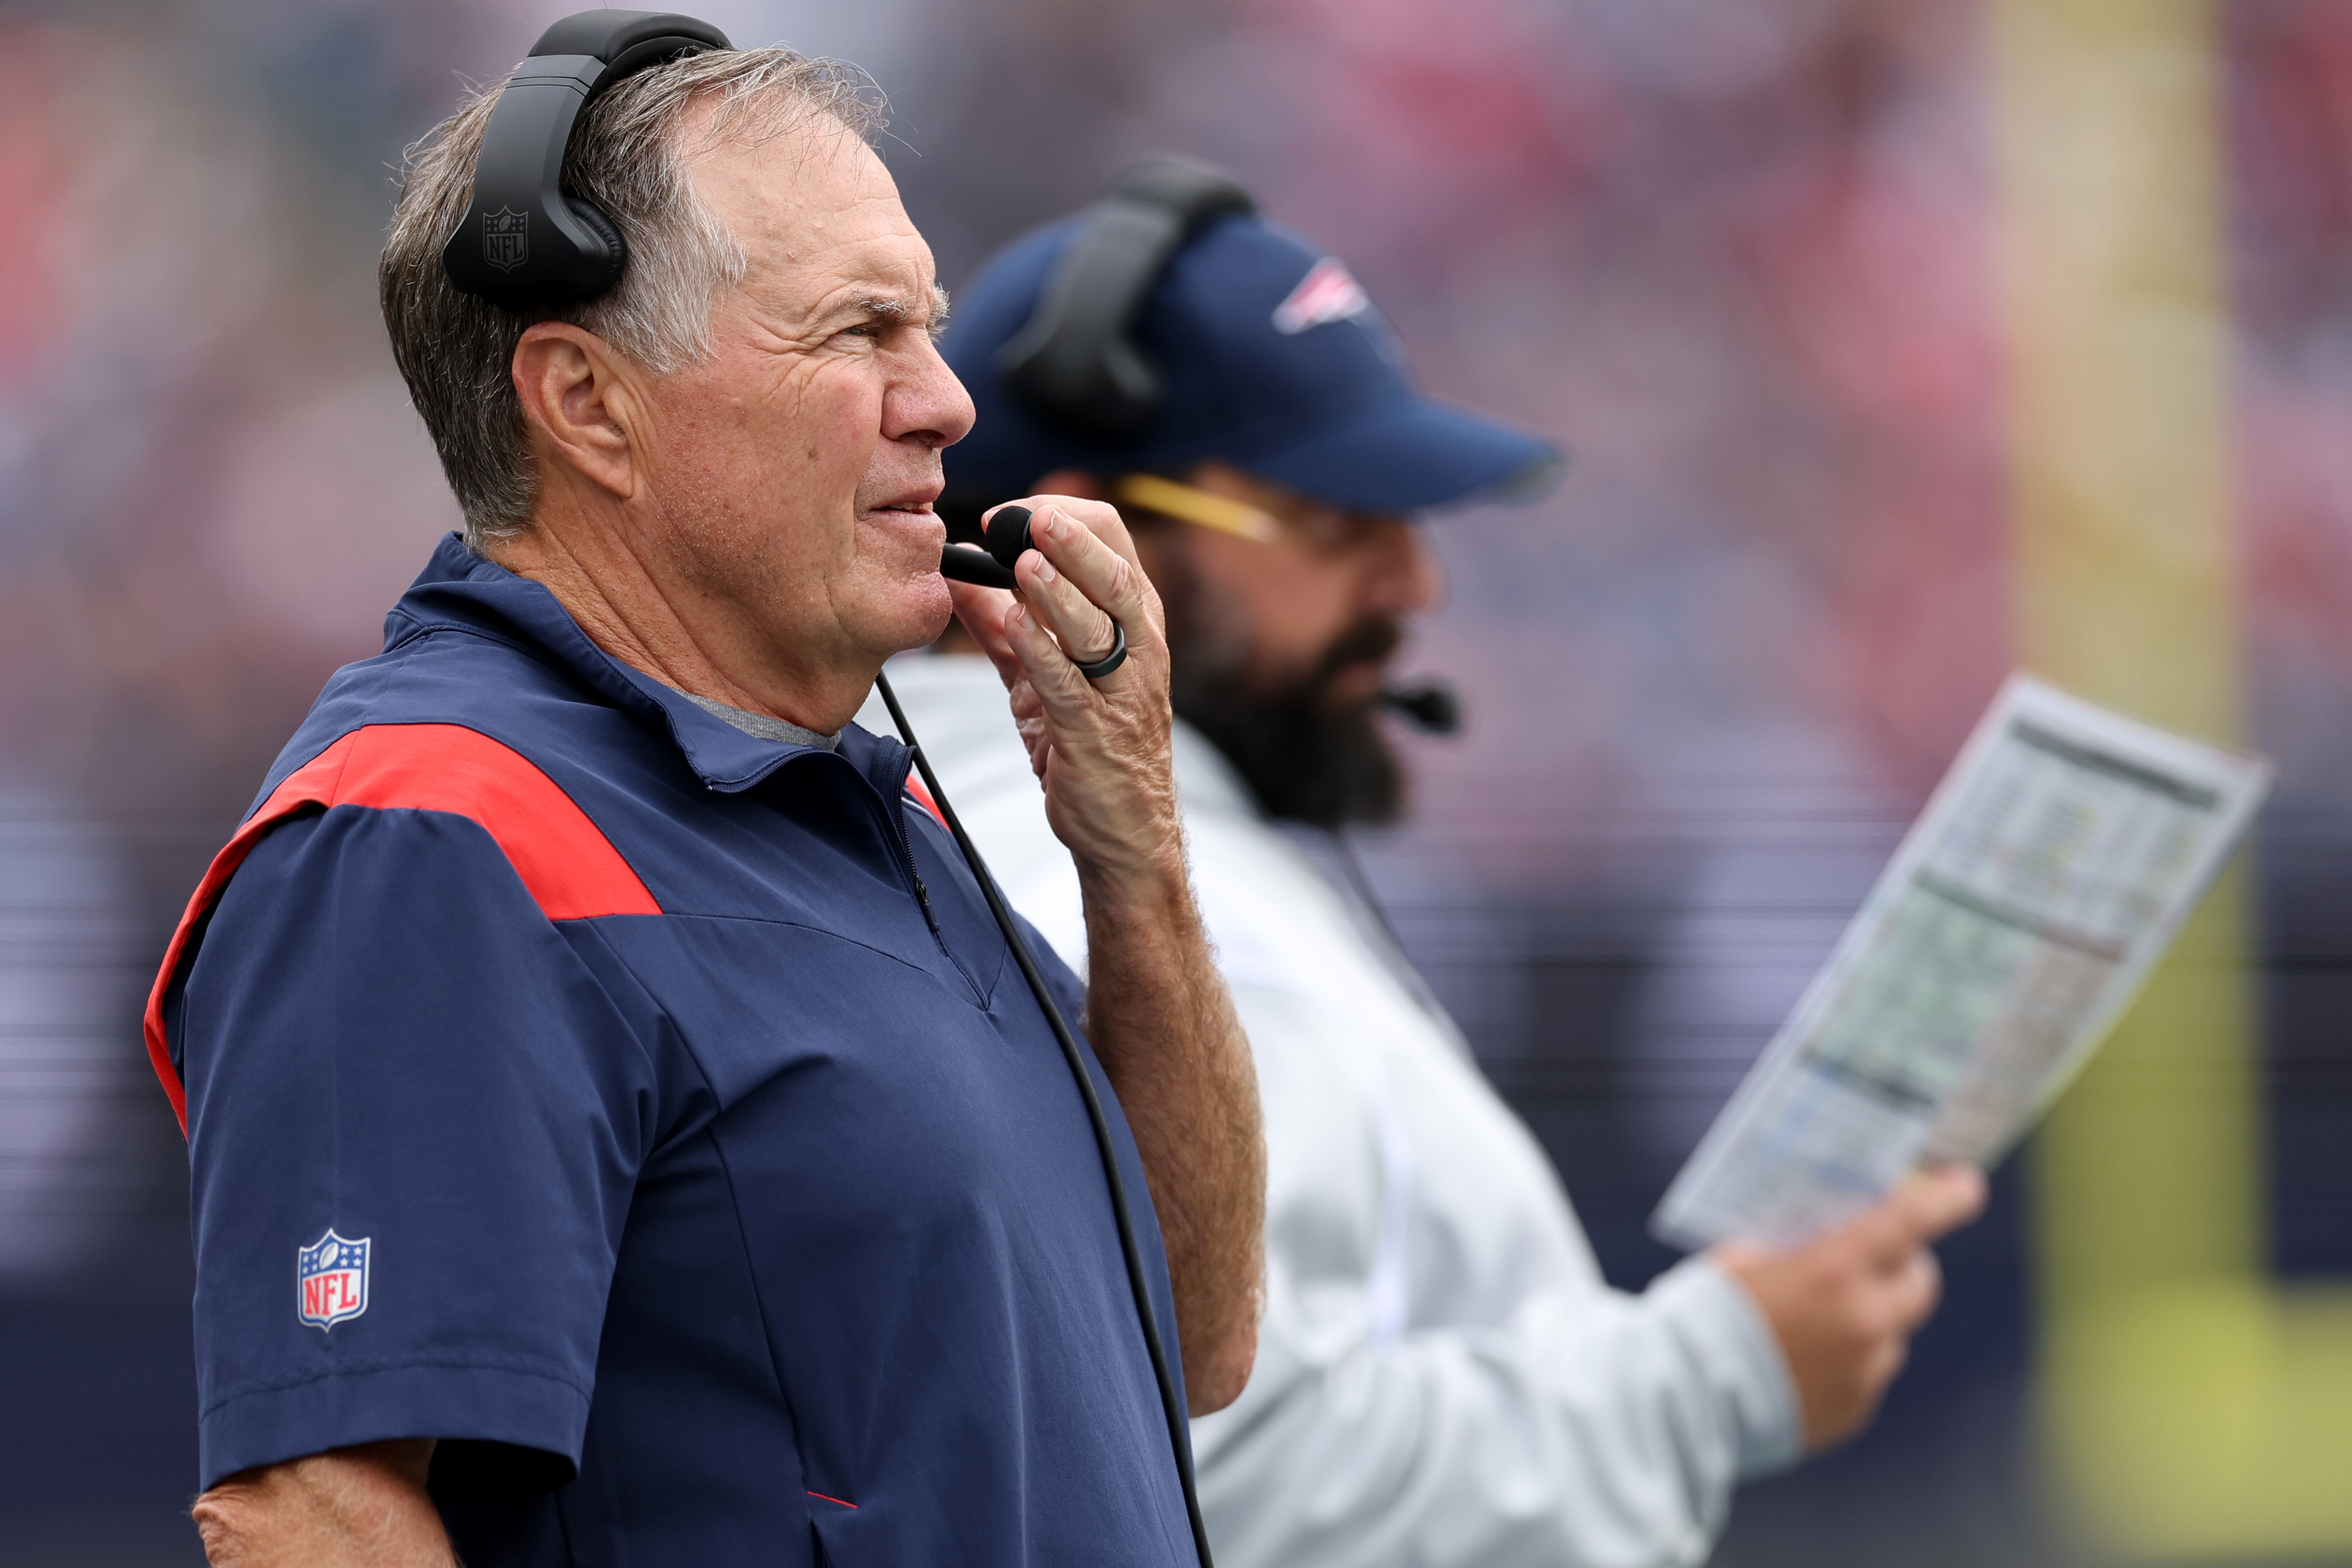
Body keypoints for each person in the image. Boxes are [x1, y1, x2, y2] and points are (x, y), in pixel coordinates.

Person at [144, 31, 1263, 1568]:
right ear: (589, 405)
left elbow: (1192, 1335)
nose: (941, 398)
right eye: (858, 332)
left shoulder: (880, 817)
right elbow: (307, 1503)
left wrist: (1134, 856)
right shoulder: (429, 831)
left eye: (926, 328)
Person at [872, 161, 1989, 1568]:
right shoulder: (1117, 912)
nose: (1414, 586)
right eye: (1337, 525)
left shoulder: (963, 833)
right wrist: (1717, 1376)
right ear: (1069, 536)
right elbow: (1191, 1481)